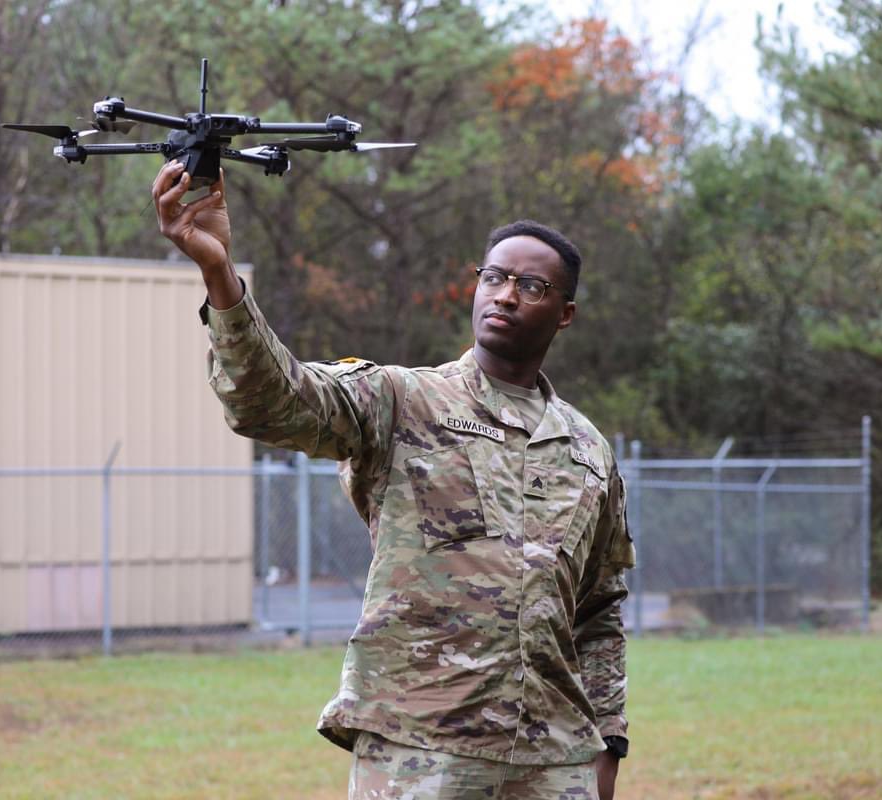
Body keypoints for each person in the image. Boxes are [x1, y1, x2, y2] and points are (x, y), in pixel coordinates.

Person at [152, 160, 635, 800]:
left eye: (531, 285)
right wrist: (219, 274)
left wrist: (609, 744)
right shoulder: (403, 400)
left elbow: (599, 610)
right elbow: (273, 401)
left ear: (565, 312)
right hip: (421, 745)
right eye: (493, 277)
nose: (506, 295)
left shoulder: (587, 450)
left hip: (553, 759)